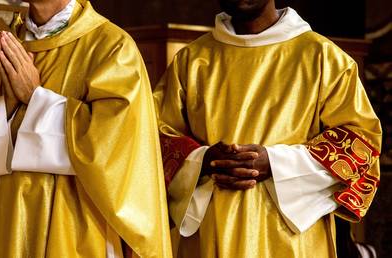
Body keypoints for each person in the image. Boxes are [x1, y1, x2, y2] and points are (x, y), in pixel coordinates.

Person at [0, 0, 172, 257]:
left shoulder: (112, 48)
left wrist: (35, 98)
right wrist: (8, 106)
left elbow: (117, 151)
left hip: (72, 231)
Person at [153, 0, 382, 257]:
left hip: (291, 241)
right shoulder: (191, 60)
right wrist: (203, 159)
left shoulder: (324, 58)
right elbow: (152, 139)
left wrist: (275, 163)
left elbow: (361, 143)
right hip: (209, 232)